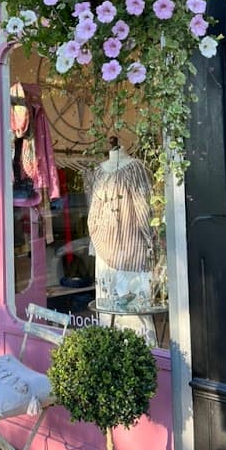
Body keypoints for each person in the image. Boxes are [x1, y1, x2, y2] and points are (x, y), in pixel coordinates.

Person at [87, 137, 157, 345]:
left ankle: (113, 356)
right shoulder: (136, 169)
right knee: (136, 312)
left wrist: (96, 241)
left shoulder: (99, 172)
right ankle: (143, 358)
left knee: (109, 311)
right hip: (132, 249)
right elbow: (145, 210)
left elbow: (92, 217)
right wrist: (152, 239)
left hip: (104, 253)